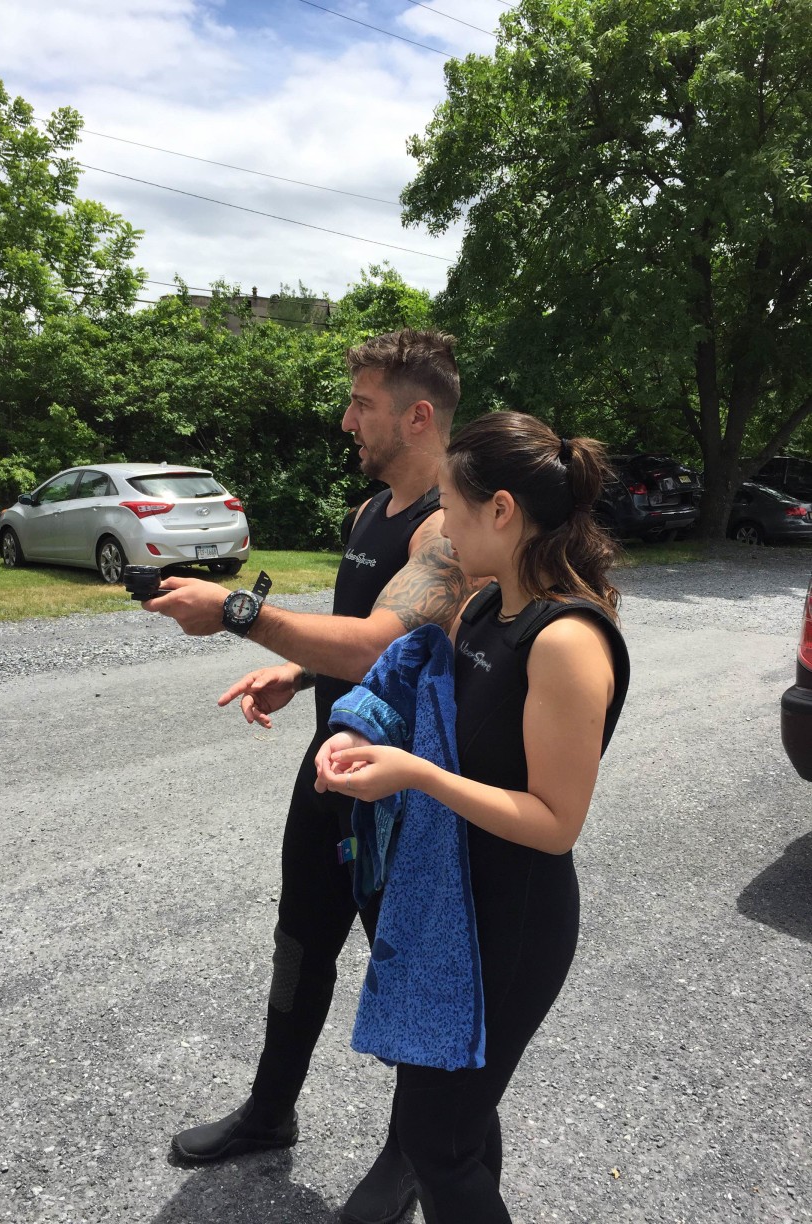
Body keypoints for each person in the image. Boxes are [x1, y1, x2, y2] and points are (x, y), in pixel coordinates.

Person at [143, 329, 476, 1224]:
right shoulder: (370, 512)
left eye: (361, 404)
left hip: (400, 790)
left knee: (409, 970)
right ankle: (270, 1110)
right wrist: (295, 673)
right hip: (330, 763)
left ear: (417, 416)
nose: (345, 421)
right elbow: (362, 640)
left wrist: (237, 611)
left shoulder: (449, 526)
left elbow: (375, 645)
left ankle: (411, 1155)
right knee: (300, 940)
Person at [313, 411, 630, 1223]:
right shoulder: (487, 609)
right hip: (456, 907)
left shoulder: (565, 641)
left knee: (436, 1141)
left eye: (451, 506)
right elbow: (407, 673)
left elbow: (556, 822)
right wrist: (356, 728)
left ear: (501, 510)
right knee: (460, 1121)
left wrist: (418, 775)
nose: (442, 527)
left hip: (512, 923)